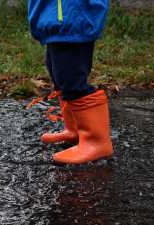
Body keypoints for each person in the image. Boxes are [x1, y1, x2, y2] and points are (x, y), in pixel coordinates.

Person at [27, 0, 113, 164]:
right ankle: (75, 130)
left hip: (71, 17)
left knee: (71, 78)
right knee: (58, 73)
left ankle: (96, 142)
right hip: (56, 18)